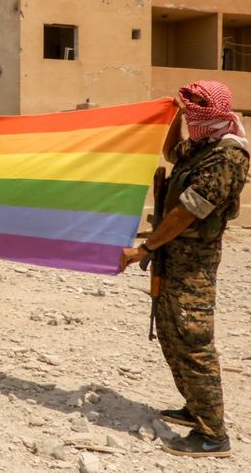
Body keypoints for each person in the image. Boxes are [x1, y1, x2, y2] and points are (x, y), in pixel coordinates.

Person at [120, 81, 248, 458]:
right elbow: (171, 151)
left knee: (193, 342)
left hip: (194, 264)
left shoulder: (227, 156)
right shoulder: (201, 146)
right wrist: (174, 113)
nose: (192, 121)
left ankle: (214, 435)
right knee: (171, 334)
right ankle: (195, 408)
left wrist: (145, 247)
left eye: (195, 115)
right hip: (172, 257)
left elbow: (189, 210)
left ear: (216, 116)